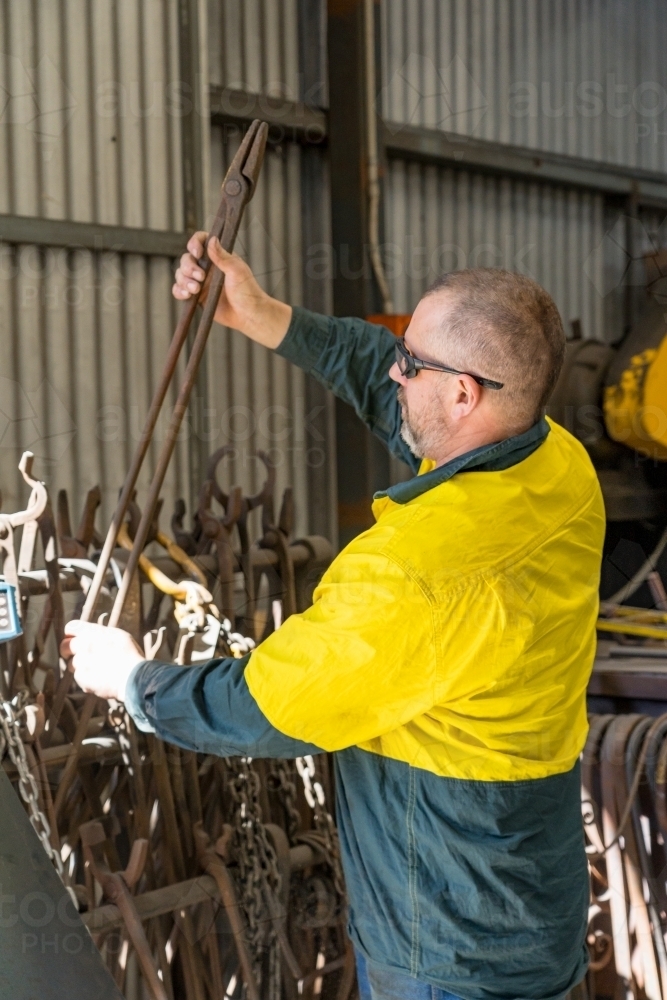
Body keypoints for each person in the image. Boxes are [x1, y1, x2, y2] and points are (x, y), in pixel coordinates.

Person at [63, 234, 605, 1000]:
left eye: (410, 362)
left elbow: (263, 708)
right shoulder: (553, 464)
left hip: (450, 934)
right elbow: (391, 395)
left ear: (463, 395)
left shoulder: (417, 571)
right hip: (533, 900)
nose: (393, 368)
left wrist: (132, 680)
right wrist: (263, 315)